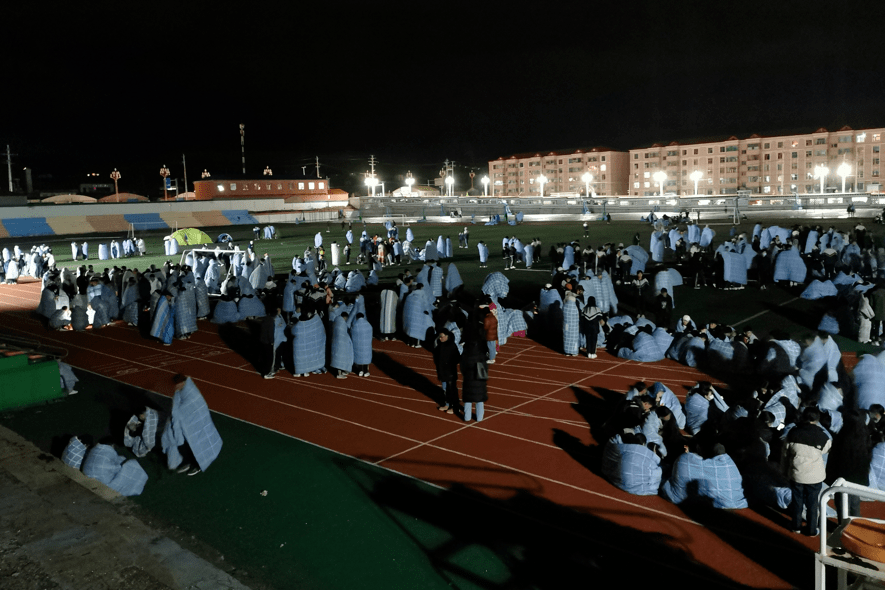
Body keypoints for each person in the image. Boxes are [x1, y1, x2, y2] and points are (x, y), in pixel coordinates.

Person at [782, 407, 832, 535]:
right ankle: (811, 529)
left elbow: (785, 451)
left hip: (796, 473)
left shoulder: (793, 433)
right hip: (815, 476)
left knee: (797, 501)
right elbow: (825, 450)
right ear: (817, 419)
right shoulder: (823, 436)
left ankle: (796, 526)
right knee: (812, 503)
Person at [461, 338, 489, 422]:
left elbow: (462, 367)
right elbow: (485, 368)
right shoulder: (482, 355)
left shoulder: (465, 355)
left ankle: (467, 417)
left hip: (468, 379)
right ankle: (479, 418)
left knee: (468, 399)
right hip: (479, 380)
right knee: (479, 399)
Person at [434, 328, 460, 414]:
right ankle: (447, 404)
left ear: (447, 336)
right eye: (439, 337)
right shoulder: (439, 346)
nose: (440, 338)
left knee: (452, 389)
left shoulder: (452, 346)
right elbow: (436, 357)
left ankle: (455, 407)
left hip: (450, 372)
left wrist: (448, 363)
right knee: (445, 389)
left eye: (441, 336)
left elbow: (457, 358)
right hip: (442, 372)